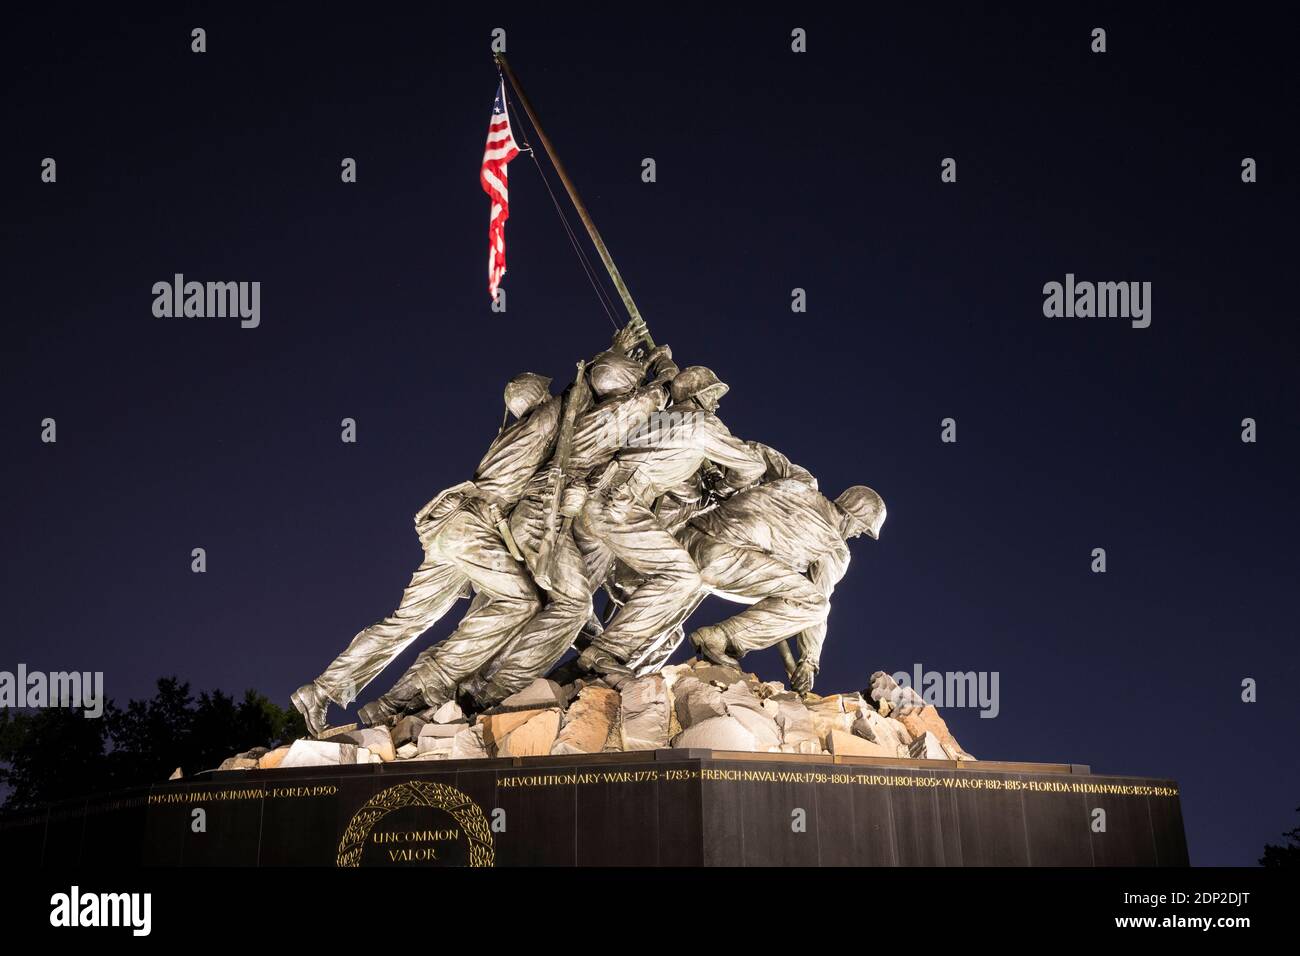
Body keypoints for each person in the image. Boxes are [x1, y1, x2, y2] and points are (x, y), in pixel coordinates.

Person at [683, 481, 886, 694]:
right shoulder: (834, 547)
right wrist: (809, 661)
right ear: (852, 515)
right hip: (721, 560)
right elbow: (818, 598)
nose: (856, 535)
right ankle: (719, 637)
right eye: (861, 529)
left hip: (688, 537)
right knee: (815, 605)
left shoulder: (796, 487)